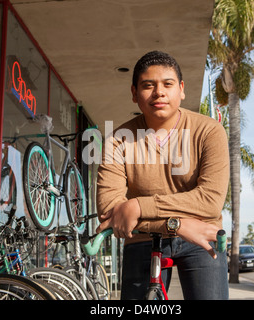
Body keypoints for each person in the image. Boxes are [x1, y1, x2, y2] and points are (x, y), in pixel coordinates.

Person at [96, 51, 230, 300]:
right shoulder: (116, 141)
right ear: (135, 93)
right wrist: (177, 224)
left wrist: (138, 205)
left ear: (181, 89)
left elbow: (210, 202)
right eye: (148, 85)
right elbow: (109, 211)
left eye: (167, 84)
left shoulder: (210, 132)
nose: (159, 92)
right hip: (144, 238)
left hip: (202, 236)